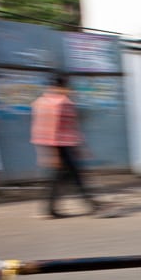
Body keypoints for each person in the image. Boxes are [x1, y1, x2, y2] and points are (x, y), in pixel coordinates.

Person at [30, 72, 101, 218]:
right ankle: (91, 205)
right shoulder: (64, 102)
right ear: (63, 86)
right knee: (74, 176)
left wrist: (46, 153)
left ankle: (50, 209)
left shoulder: (40, 102)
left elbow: (39, 128)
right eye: (67, 86)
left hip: (52, 146)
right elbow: (67, 127)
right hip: (63, 145)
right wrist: (80, 147)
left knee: (62, 177)